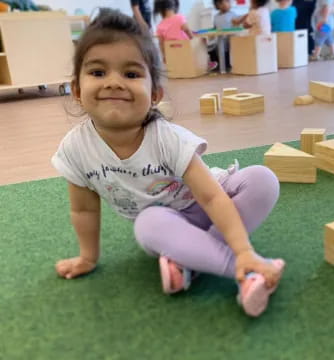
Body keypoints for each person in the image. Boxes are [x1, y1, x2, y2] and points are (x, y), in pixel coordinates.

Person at [51, 8, 285, 318]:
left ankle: (194, 262)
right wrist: (88, 258)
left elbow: (211, 196)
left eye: (131, 74)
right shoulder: (75, 149)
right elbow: (83, 209)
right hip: (165, 226)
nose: (114, 83)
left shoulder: (167, 137)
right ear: (77, 90)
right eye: (98, 72)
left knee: (263, 180)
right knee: (147, 224)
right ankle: (246, 271)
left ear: (155, 93)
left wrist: (243, 248)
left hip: (208, 206)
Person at [154, 0, 217, 70]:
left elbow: (161, 43)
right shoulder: (179, 18)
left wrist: (164, 56)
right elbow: (187, 31)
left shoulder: (160, 26)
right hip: (186, 49)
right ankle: (206, 64)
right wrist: (194, 39)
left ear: (159, 10)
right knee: (202, 41)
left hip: (172, 52)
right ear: (174, 6)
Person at [209, 0, 238, 69]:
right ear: (219, 5)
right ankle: (216, 65)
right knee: (210, 49)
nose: (229, 3)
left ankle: (225, 65)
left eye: (229, 1)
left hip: (229, 42)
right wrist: (211, 34)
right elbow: (215, 28)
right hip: (219, 42)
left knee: (227, 62)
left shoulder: (233, 14)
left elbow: (237, 26)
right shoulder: (216, 16)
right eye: (227, 1)